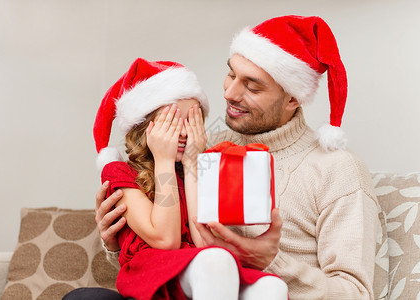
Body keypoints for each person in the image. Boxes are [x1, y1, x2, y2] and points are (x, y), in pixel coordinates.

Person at [71, 15, 379, 299]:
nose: (229, 93)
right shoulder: (198, 147)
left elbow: (355, 294)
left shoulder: (337, 169)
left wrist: (272, 261)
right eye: (230, 74)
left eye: (252, 86)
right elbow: (166, 254)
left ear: (293, 98)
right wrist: (118, 238)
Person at [64, 58, 288, 300]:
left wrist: (193, 163)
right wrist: (163, 161)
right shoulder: (120, 172)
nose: (183, 132)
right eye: (172, 122)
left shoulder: (202, 170)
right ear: (145, 127)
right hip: (154, 275)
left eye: (192, 121)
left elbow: (204, 243)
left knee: (272, 287)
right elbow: (166, 239)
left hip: (199, 272)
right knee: (217, 260)